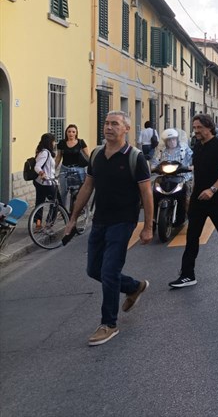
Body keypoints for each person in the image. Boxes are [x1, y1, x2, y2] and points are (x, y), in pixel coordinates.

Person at [63, 111, 154, 346]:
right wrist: (73, 218)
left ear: (126, 129)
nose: (109, 127)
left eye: (115, 124)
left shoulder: (135, 157)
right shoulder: (96, 155)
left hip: (123, 221)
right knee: (94, 270)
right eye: (106, 123)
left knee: (110, 271)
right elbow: (87, 187)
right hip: (100, 220)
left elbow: (146, 192)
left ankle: (109, 324)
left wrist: (148, 227)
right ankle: (134, 287)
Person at [169, 114, 218, 288]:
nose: (196, 131)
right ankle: (188, 274)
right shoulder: (198, 146)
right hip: (198, 197)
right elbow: (199, 169)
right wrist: (192, 190)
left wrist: (212, 190)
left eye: (199, 128)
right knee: (192, 235)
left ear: (209, 128)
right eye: (194, 127)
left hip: (217, 197)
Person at [55, 124, 89, 207]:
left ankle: (79, 209)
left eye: (73, 132)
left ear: (76, 133)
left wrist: (91, 168)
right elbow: (59, 157)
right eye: (69, 131)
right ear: (66, 133)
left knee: (78, 191)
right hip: (65, 169)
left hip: (78, 169)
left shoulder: (81, 142)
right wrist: (54, 168)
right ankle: (64, 211)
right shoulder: (62, 143)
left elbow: (87, 156)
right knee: (64, 191)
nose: (71, 134)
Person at [32, 133, 57, 231]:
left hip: (39, 183)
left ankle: (38, 224)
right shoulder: (45, 153)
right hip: (47, 182)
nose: (54, 143)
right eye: (54, 141)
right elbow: (37, 166)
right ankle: (48, 223)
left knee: (39, 202)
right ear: (50, 142)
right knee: (56, 202)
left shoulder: (41, 151)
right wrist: (42, 174)